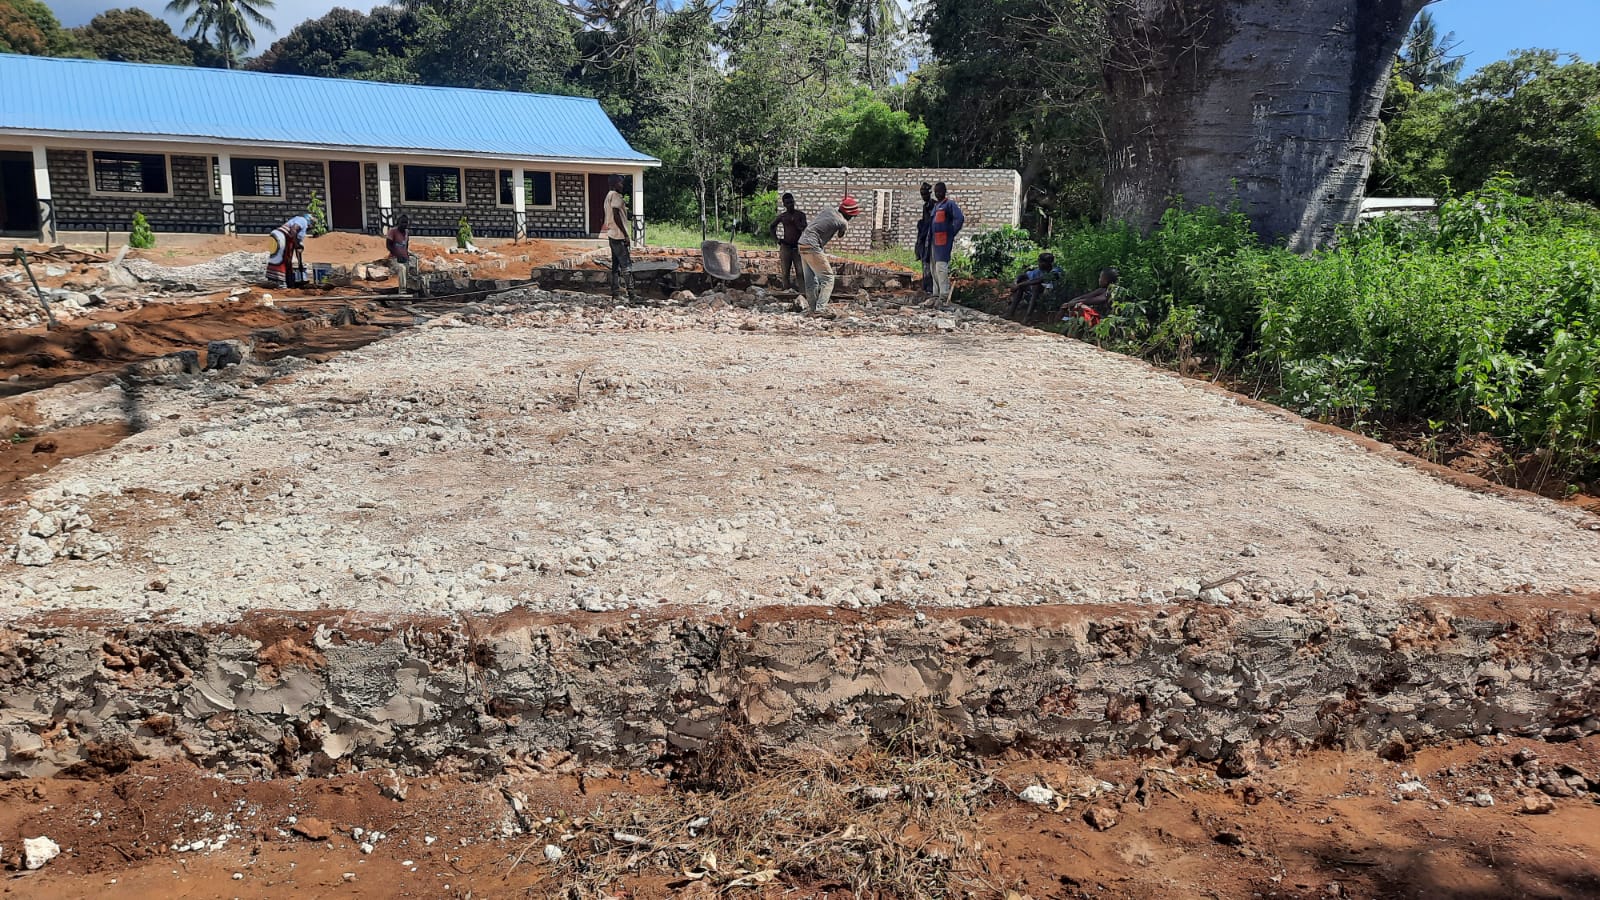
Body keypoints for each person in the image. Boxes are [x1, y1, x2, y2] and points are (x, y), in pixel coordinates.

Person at [796, 195, 862, 317]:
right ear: (849, 214)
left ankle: (812, 308)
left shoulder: (828, 210)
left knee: (811, 281)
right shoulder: (843, 222)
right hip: (813, 245)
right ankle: (820, 309)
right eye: (853, 216)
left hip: (802, 243)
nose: (853, 218)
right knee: (828, 279)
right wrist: (844, 226)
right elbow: (840, 235)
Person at [928, 182, 964, 306]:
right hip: (933, 242)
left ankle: (943, 295)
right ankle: (935, 293)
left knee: (941, 268)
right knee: (933, 268)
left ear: (944, 192)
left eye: (940, 192)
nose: (938, 194)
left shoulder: (949, 204)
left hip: (943, 242)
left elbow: (959, 218)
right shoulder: (937, 206)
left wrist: (951, 233)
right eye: (936, 192)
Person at [603, 174, 635, 302]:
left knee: (615, 265)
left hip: (612, 234)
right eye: (620, 183)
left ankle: (615, 292)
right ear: (615, 184)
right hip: (618, 235)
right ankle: (631, 293)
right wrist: (626, 235)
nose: (622, 185)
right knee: (626, 264)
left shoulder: (608, 196)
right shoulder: (616, 196)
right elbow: (616, 215)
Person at [1008, 252, 1065, 321]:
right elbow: (1024, 275)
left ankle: (1028, 316)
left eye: (1041, 262)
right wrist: (1015, 282)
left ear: (1048, 263)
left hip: (1053, 297)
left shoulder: (1056, 271)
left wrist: (1019, 285)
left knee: (1036, 286)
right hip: (1038, 295)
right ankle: (1010, 313)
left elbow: (1041, 280)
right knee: (1023, 286)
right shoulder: (1038, 271)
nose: (1039, 264)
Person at [770, 193, 808, 292]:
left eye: (791, 202)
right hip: (786, 246)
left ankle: (803, 292)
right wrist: (777, 239)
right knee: (785, 272)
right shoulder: (783, 216)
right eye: (788, 203)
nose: (790, 204)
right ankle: (786, 291)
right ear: (784, 204)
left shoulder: (800, 215)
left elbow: (805, 228)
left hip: (797, 247)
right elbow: (772, 226)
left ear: (794, 202)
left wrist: (797, 223)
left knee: (800, 271)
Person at [266, 213, 311, 288]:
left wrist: (300, 264)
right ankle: (281, 283)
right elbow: (293, 229)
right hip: (282, 237)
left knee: (278, 259)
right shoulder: (303, 220)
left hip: (275, 236)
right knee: (282, 259)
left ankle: (274, 281)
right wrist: (296, 244)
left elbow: (298, 250)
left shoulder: (298, 232)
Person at [914, 182, 935, 296]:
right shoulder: (925, 206)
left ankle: (930, 288)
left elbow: (931, 223)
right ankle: (926, 287)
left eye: (925, 194)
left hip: (930, 239)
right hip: (924, 237)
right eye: (922, 194)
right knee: (925, 263)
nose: (923, 196)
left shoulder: (933, 205)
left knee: (929, 263)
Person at [385, 214, 414, 293]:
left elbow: (406, 245)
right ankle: (402, 290)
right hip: (394, 258)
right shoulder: (392, 231)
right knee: (402, 268)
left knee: (412, 269)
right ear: (398, 223)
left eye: (406, 223)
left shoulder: (407, 232)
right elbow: (388, 245)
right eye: (402, 222)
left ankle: (412, 288)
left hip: (404, 258)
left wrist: (407, 255)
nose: (404, 224)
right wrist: (397, 255)